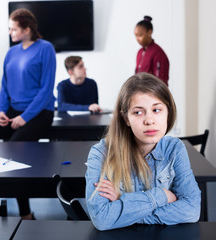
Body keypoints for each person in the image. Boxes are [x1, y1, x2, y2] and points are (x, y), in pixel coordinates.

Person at [0, 8, 56, 219]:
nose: (10, 32)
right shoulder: (11, 52)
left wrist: (25, 118)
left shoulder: (46, 49)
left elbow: (46, 90)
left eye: (13, 28)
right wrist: (0, 112)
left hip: (39, 112)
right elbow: (5, 87)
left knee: (13, 154)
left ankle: (25, 213)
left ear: (27, 29)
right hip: (11, 111)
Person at [85, 72, 201, 231]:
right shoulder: (100, 153)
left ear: (168, 112)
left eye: (157, 110)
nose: (149, 120)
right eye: (138, 112)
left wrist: (123, 202)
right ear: (126, 118)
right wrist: (161, 195)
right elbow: (102, 218)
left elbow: (192, 210)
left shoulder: (174, 148)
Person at [134, 16, 170, 86]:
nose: (137, 39)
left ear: (149, 32)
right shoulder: (140, 52)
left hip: (153, 94)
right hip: (140, 93)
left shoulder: (158, 53)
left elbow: (160, 81)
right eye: (136, 35)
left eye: (140, 35)